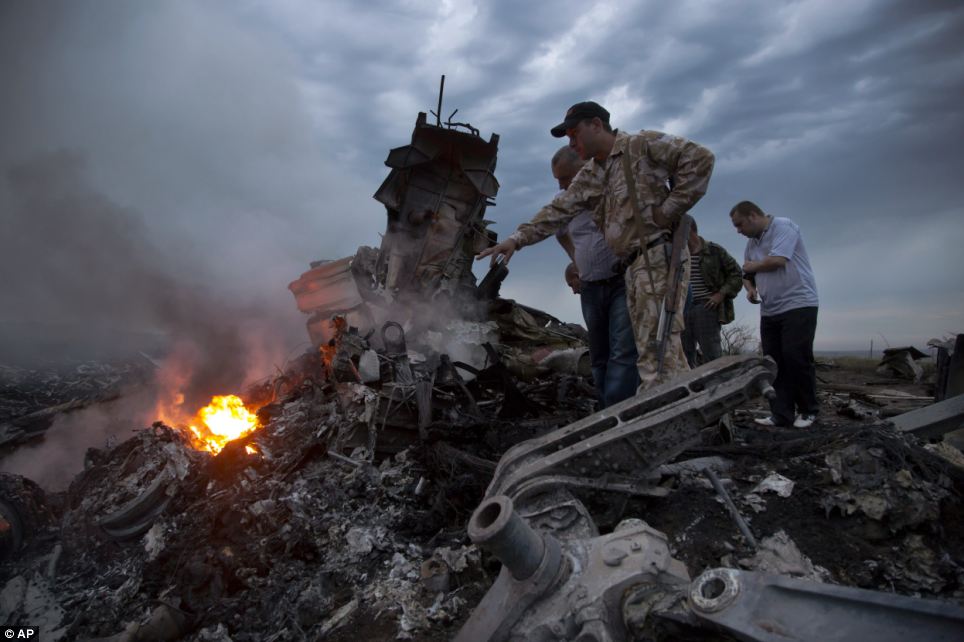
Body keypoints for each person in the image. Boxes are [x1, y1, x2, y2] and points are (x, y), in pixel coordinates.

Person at [477, 101, 715, 389]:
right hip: (632, 267)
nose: (572, 141)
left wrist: (668, 210)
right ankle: (686, 413)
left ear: (597, 125)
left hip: (657, 256)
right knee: (658, 351)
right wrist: (515, 240)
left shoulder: (640, 145)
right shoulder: (593, 173)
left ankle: (658, 419)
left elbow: (700, 158)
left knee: (657, 349)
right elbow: (557, 210)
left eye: (575, 133)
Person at [551, 145, 639, 407]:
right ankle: (605, 409)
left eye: (565, 178)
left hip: (621, 281)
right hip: (590, 286)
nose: (561, 185)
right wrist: (577, 261)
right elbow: (560, 234)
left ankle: (620, 412)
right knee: (599, 353)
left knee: (623, 350)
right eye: (557, 180)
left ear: (583, 168)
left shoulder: (611, 189)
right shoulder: (565, 202)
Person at [730, 200, 819, 429]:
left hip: (798, 304)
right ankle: (781, 414)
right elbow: (746, 272)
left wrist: (751, 267)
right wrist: (749, 289)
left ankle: (809, 411)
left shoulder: (783, 226)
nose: (738, 231)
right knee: (774, 362)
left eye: (740, 224)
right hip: (770, 309)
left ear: (752, 216)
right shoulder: (752, 243)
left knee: (796, 357)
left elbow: (778, 260)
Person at [681, 220, 743, 367]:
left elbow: (736, 274)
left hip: (706, 307)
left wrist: (721, 294)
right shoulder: (677, 253)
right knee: (683, 356)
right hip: (681, 308)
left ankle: (719, 386)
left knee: (712, 354)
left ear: (690, 231)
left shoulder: (714, 251)